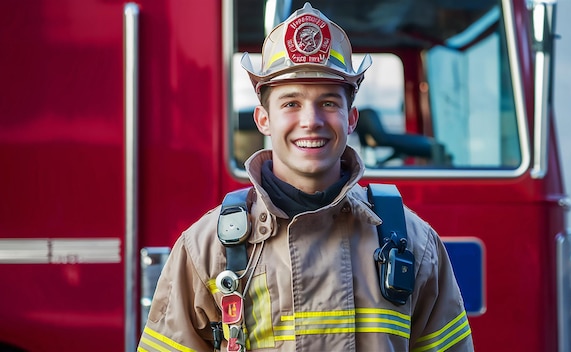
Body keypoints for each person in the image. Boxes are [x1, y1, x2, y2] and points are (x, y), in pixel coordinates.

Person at [138, 3, 473, 351]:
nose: (311, 120)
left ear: (351, 118)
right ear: (263, 119)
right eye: (291, 103)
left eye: (328, 102)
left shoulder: (414, 243)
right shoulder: (207, 249)